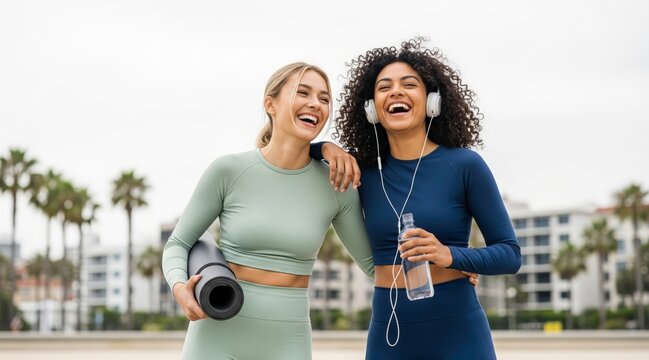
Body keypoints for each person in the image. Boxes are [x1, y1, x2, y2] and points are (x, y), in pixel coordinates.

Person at [313, 37, 521, 359]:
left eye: (409, 84)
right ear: (371, 109)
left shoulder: (465, 165)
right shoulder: (361, 171)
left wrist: (450, 255)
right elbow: (296, 153)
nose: (396, 91)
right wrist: (326, 147)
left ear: (431, 101)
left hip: (459, 329)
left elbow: (509, 254)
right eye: (384, 87)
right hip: (389, 331)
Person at [161, 62, 375, 360]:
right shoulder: (228, 170)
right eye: (303, 92)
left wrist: (454, 267)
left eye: (324, 99)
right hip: (215, 335)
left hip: (288, 341)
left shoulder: (337, 185)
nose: (315, 103)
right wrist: (179, 286)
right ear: (270, 104)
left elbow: (375, 268)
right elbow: (178, 244)